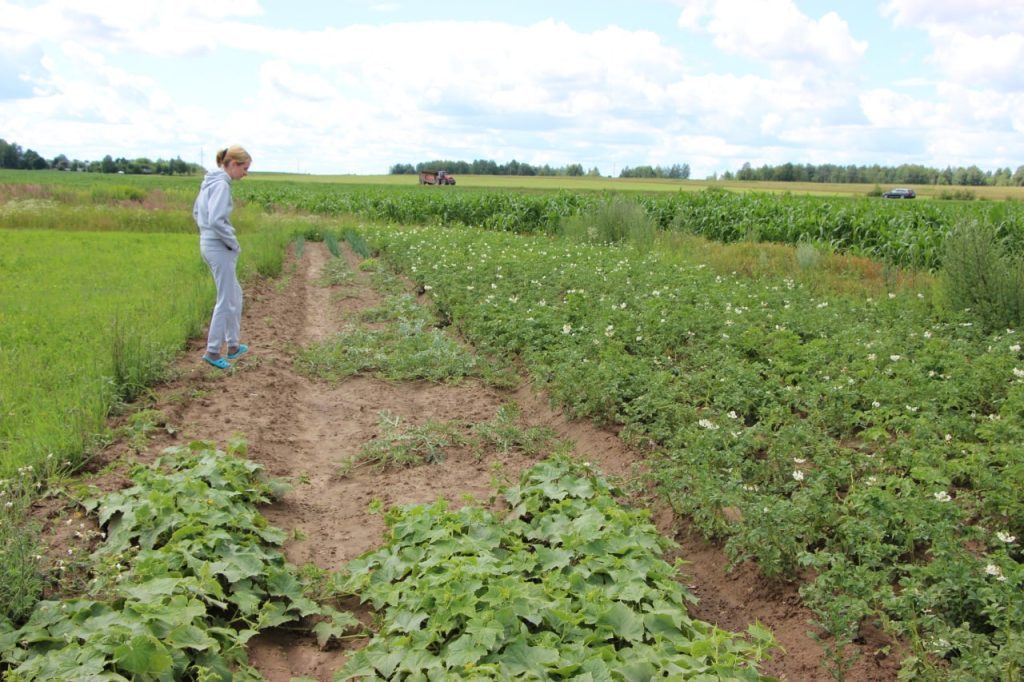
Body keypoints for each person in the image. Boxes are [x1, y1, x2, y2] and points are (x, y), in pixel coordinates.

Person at [193, 145, 251, 369]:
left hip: (209, 243)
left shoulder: (209, 182)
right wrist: (232, 242)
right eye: (244, 168)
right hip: (219, 247)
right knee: (225, 299)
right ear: (233, 164)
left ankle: (233, 344)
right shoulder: (221, 185)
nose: (245, 173)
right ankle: (213, 351)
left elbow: (197, 213)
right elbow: (217, 219)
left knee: (234, 293)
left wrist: (206, 233)